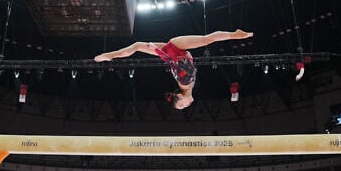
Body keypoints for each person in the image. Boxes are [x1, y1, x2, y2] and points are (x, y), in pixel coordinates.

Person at [94, 29, 253, 109]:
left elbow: (174, 64)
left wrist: (157, 50)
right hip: (176, 52)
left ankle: (235, 35)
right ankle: (109, 55)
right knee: (136, 46)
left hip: (177, 50)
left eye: (181, 105)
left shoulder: (184, 83)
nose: (186, 106)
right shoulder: (188, 86)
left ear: (179, 96)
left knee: (207, 39)